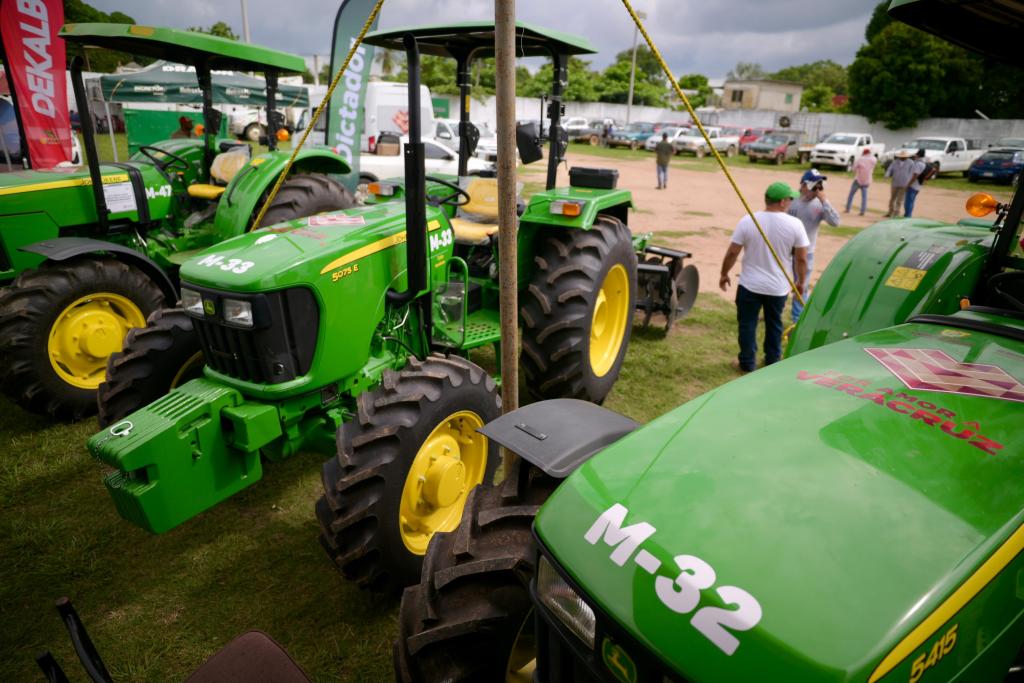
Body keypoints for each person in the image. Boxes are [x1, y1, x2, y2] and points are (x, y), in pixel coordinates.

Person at [719, 182, 809, 373]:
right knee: (774, 323)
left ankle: (747, 362)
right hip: (778, 287)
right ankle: (772, 360)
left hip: (749, 285)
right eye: (790, 199)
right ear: (783, 202)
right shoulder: (795, 224)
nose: (791, 202)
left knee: (747, 324)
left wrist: (724, 273)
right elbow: (801, 258)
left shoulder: (748, 220)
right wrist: (801, 282)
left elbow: (732, 253)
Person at [788, 168, 840, 322]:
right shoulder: (792, 200)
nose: (817, 190)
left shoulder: (821, 205)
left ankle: (797, 320)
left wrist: (825, 201)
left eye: (820, 186)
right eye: (814, 186)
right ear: (804, 185)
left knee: (801, 285)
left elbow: (835, 222)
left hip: (806, 252)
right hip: (786, 250)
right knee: (780, 281)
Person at [845, 148, 876, 216]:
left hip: (858, 179)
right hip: (867, 180)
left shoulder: (860, 159)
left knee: (851, 194)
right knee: (864, 196)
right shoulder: (874, 159)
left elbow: (854, 168)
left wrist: (857, 170)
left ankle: (848, 208)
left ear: (864, 153)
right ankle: (862, 211)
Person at [884, 150, 915, 217]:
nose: (902, 158)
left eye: (904, 157)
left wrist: (909, 182)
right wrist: (887, 175)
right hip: (895, 183)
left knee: (899, 200)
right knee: (892, 198)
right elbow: (890, 169)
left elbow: (912, 173)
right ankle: (890, 212)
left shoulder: (911, 163)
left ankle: (896, 213)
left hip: (904, 184)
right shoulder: (895, 162)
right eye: (901, 157)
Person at [904, 148, 928, 218]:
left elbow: (915, 175)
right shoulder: (924, 163)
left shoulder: (918, 164)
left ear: (918, 155)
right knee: (911, 201)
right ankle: (908, 215)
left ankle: (908, 216)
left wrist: (908, 184)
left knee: (908, 202)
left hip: (913, 186)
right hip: (918, 186)